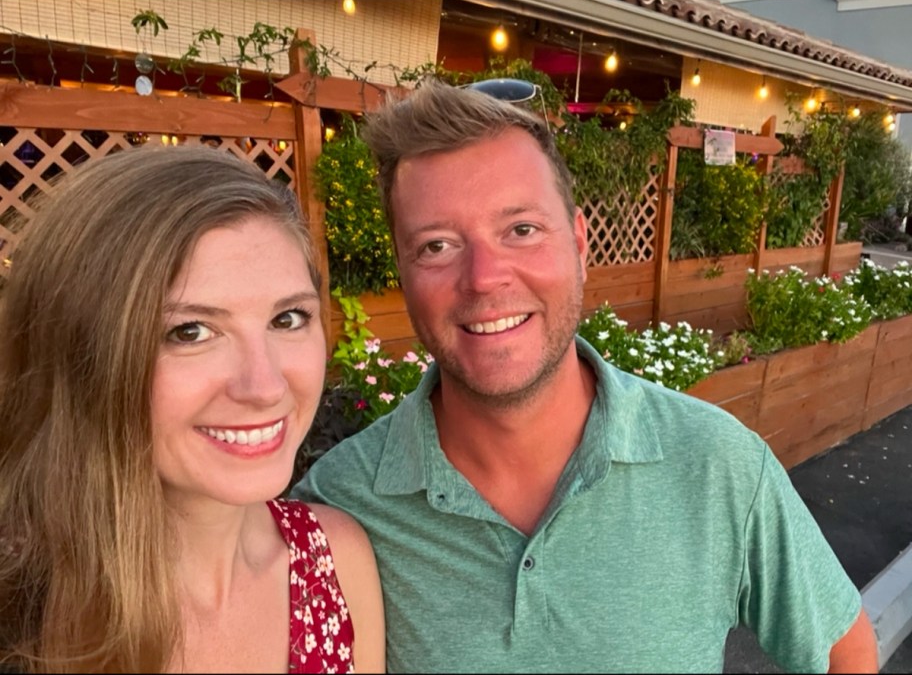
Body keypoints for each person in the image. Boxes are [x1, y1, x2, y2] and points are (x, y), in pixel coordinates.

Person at [292, 78, 879, 673]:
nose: (485, 278)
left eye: (521, 229)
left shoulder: (717, 464)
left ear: (578, 242)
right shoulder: (339, 507)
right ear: (404, 270)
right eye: (438, 245)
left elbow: (845, 650)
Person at [0, 145, 385, 673]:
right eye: (191, 331)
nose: (265, 385)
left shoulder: (335, 563)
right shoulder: (20, 610)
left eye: (289, 318)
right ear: (80, 357)